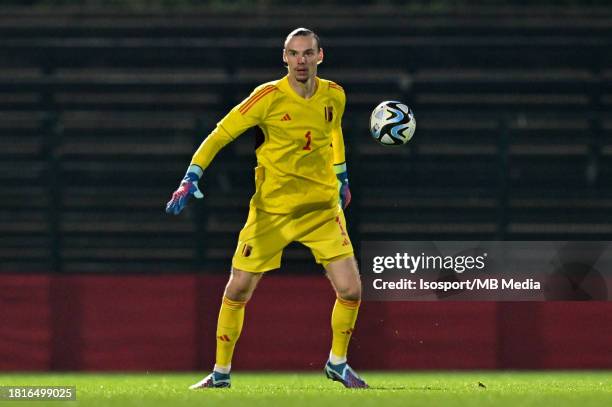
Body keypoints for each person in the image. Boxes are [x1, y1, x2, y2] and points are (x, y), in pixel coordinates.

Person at [166, 28, 367, 389]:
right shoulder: (267, 97)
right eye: (294, 53)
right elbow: (220, 134)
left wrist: (342, 177)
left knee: (351, 290)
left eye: (308, 53)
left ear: (320, 56)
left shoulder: (335, 95)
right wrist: (191, 176)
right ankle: (220, 374)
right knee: (238, 289)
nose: (301, 60)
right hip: (271, 213)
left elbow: (333, 132)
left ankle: (337, 363)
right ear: (284, 57)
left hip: (322, 210)